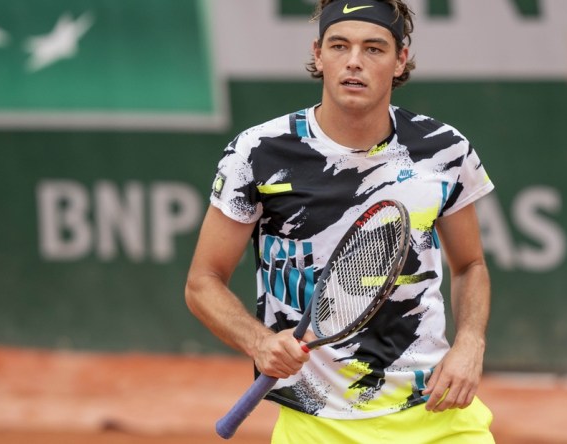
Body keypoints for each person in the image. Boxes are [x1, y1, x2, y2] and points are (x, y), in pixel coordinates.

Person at [185, 0, 496, 442]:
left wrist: (470, 343)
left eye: (374, 48)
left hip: (436, 415)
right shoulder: (258, 153)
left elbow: (471, 266)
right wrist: (258, 342)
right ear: (318, 54)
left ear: (399, 60)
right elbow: (202, 282)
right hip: (316, 425)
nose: (354, 61)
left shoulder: (443, 149)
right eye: (339, 45)